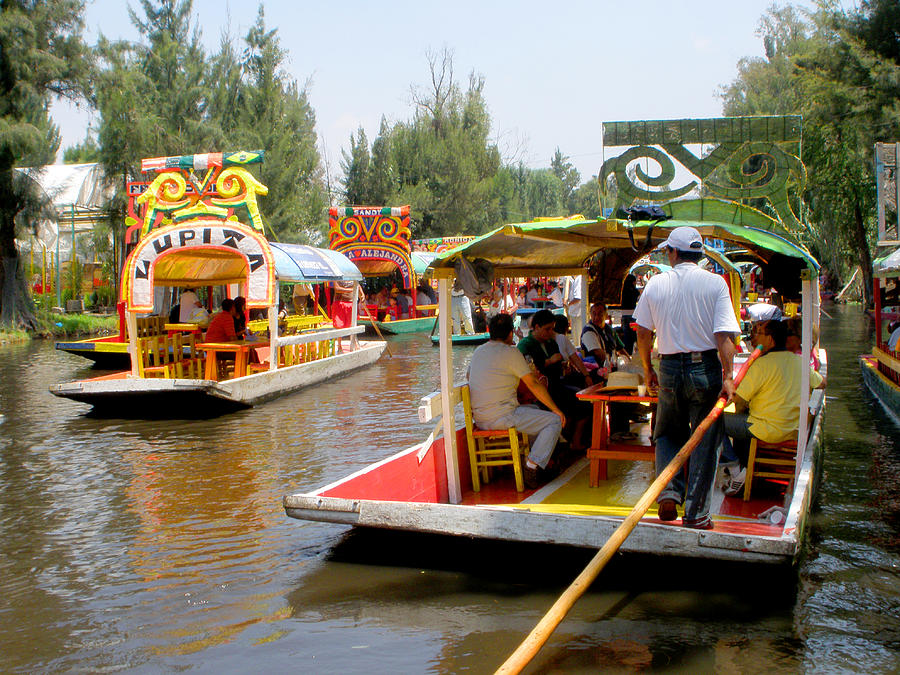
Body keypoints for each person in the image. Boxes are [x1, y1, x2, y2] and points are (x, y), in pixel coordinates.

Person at [633, 226, 740, 530]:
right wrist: (728, 376)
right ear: (699, 254)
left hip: (668, 367)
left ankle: (668, 492)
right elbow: (724, 336)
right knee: (706, 439)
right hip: (704, 368)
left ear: (674, 253)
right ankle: (696, 514)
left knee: (667, 432)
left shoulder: (655, 283)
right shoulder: (716, 283)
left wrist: (647, 368)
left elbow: (643, 332)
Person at [721, 317, 825, 496]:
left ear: (770, 339)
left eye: (759, 333)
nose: (754, 337)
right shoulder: (800, 363)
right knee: (742, 419)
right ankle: (742, 466)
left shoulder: (761, 364)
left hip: (765, 429)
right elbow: (822, 383)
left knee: (715, 422)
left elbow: (738, 399)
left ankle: (734, 465)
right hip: (793, 428)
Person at [468, 313, 565, 488]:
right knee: (554, 420)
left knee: (537, 412)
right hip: (503, 417)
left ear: (490, 331)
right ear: (511, 334)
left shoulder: (478, 351)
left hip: (481, 419)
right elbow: (534, 384)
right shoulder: (511, 352)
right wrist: (556, 410)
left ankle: (535, 462)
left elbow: (470, 376)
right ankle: (531, 466)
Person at [519, 309, 592, 450]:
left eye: (552, 329)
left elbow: (561, 361)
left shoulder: (551, 342)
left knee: (585, 402)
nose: (551, 332)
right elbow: (528, 370)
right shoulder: (525, 345)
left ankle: (575, 441)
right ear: (536, 327)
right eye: (547, 329)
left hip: (557, 385)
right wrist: (549, 362)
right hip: (538, 392)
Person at [581, 302, 628, 369]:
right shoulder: (588, 331)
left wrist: (629, 362)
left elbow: (620, 349)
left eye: (600, 314)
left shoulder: (609, 329)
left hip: (613, 365)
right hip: (598, 370)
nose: (596, 317)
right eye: (594, 314)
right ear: (590, 315)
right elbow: (600, 354)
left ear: (606, 315)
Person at [620, 274, 640, 354]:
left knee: (627, 336)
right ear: (633, 282)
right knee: (634, 336)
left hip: (624, 315)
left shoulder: (622, 291)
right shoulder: (635, 291)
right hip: (633, 315)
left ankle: (627, 353)